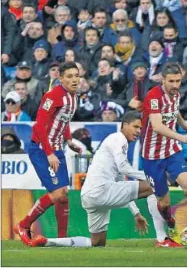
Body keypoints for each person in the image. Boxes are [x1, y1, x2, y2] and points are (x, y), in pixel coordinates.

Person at [29, 111, 154, 248]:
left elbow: (120, 179)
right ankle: (164, 236)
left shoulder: (114, 142)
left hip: (89, 195)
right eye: (135, 127)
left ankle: (48, 242)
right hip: (102, 190)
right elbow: (124, 167)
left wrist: (136, 213)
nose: (138, 131)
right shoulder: (119, 139)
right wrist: (151, 176)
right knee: (154, 184)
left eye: (141, 128)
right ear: (124, 125)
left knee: (97, 243)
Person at [141, 63, 187, 247]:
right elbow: (157, 126)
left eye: (178, 81)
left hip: (172, 151)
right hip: (152, 155)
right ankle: (171, 223)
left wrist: (185, 124)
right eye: (171, 81)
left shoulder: (176, 94)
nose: (175, 85)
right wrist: (182, 136)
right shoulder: (153, 97)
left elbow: (174, 111)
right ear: (162, 80)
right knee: (164, 203)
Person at [14, 62, 82, 245]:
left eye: (76, 75)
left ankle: (62, 240)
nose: (74, 79)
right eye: (69, 76)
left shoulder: (73, 96)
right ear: (60, 79)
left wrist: (68, 140)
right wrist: (50, 152)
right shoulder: (53, 96)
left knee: (63, 195)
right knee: (58, 194)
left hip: (56, 148)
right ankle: (23, 224)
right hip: (42, 149)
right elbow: (40, 125)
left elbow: (63, 119)